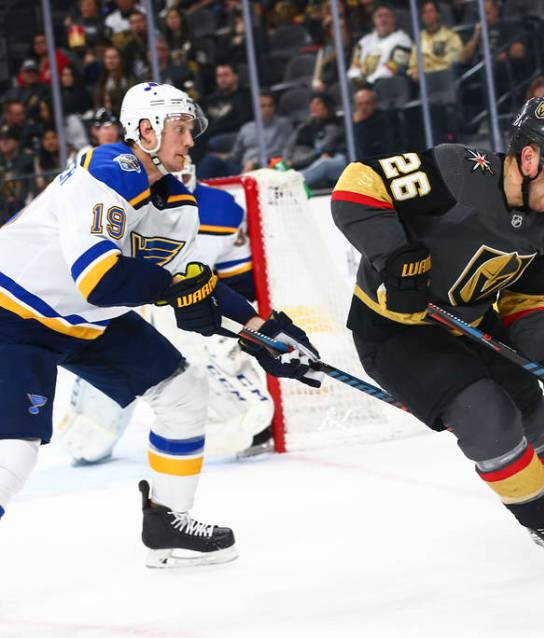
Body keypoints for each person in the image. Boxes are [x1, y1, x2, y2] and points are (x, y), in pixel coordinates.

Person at [0, 82, 319, 567]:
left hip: (83, 322)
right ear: (145, 129)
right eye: (181, 128)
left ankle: (166, 525)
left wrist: (262, 329)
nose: (190, 140)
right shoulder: (106, 170)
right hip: (14, 310)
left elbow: (193, 278)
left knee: (183, 391)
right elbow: (99, 280)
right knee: (13, 456)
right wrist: (175, 292)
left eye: (191, 129)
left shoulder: (176, 202)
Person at [330, 97, 544, 571]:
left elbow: (528, 301)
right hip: (396, 333)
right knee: (487, 412)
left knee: (529, 400)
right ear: (530, 158)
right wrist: (396, 256)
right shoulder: (457, 171)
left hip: (469, 321)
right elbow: (357, 185)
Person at [57, 158, 276, 465]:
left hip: (189, 314)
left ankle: (224, 422)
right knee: (86, 441)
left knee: (249, 419)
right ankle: (95, 424)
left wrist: (235, 324)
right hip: (124, 314)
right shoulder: (116, 201)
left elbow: (239, 282)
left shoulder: (220, 210)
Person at [347, 4, 413, 88]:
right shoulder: (364, 41)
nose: (383, 19)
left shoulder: (403, 39)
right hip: (361, 86)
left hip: (386, 86)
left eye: (386, 16)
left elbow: (394, 67)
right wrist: (356, 79)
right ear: (373, 20)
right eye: (379, 16)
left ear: (393, 19)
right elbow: (354, 66)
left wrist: (369, 81)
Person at [407, 0, 463, 81]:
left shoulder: (451, 36)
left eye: (431, 11)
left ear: (438, 14)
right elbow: (413, 65)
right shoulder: (419, 38)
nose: (427, 15)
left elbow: (454, 62)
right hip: (424, 81)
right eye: (424, 12)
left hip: (444, 79)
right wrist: (414, 73)